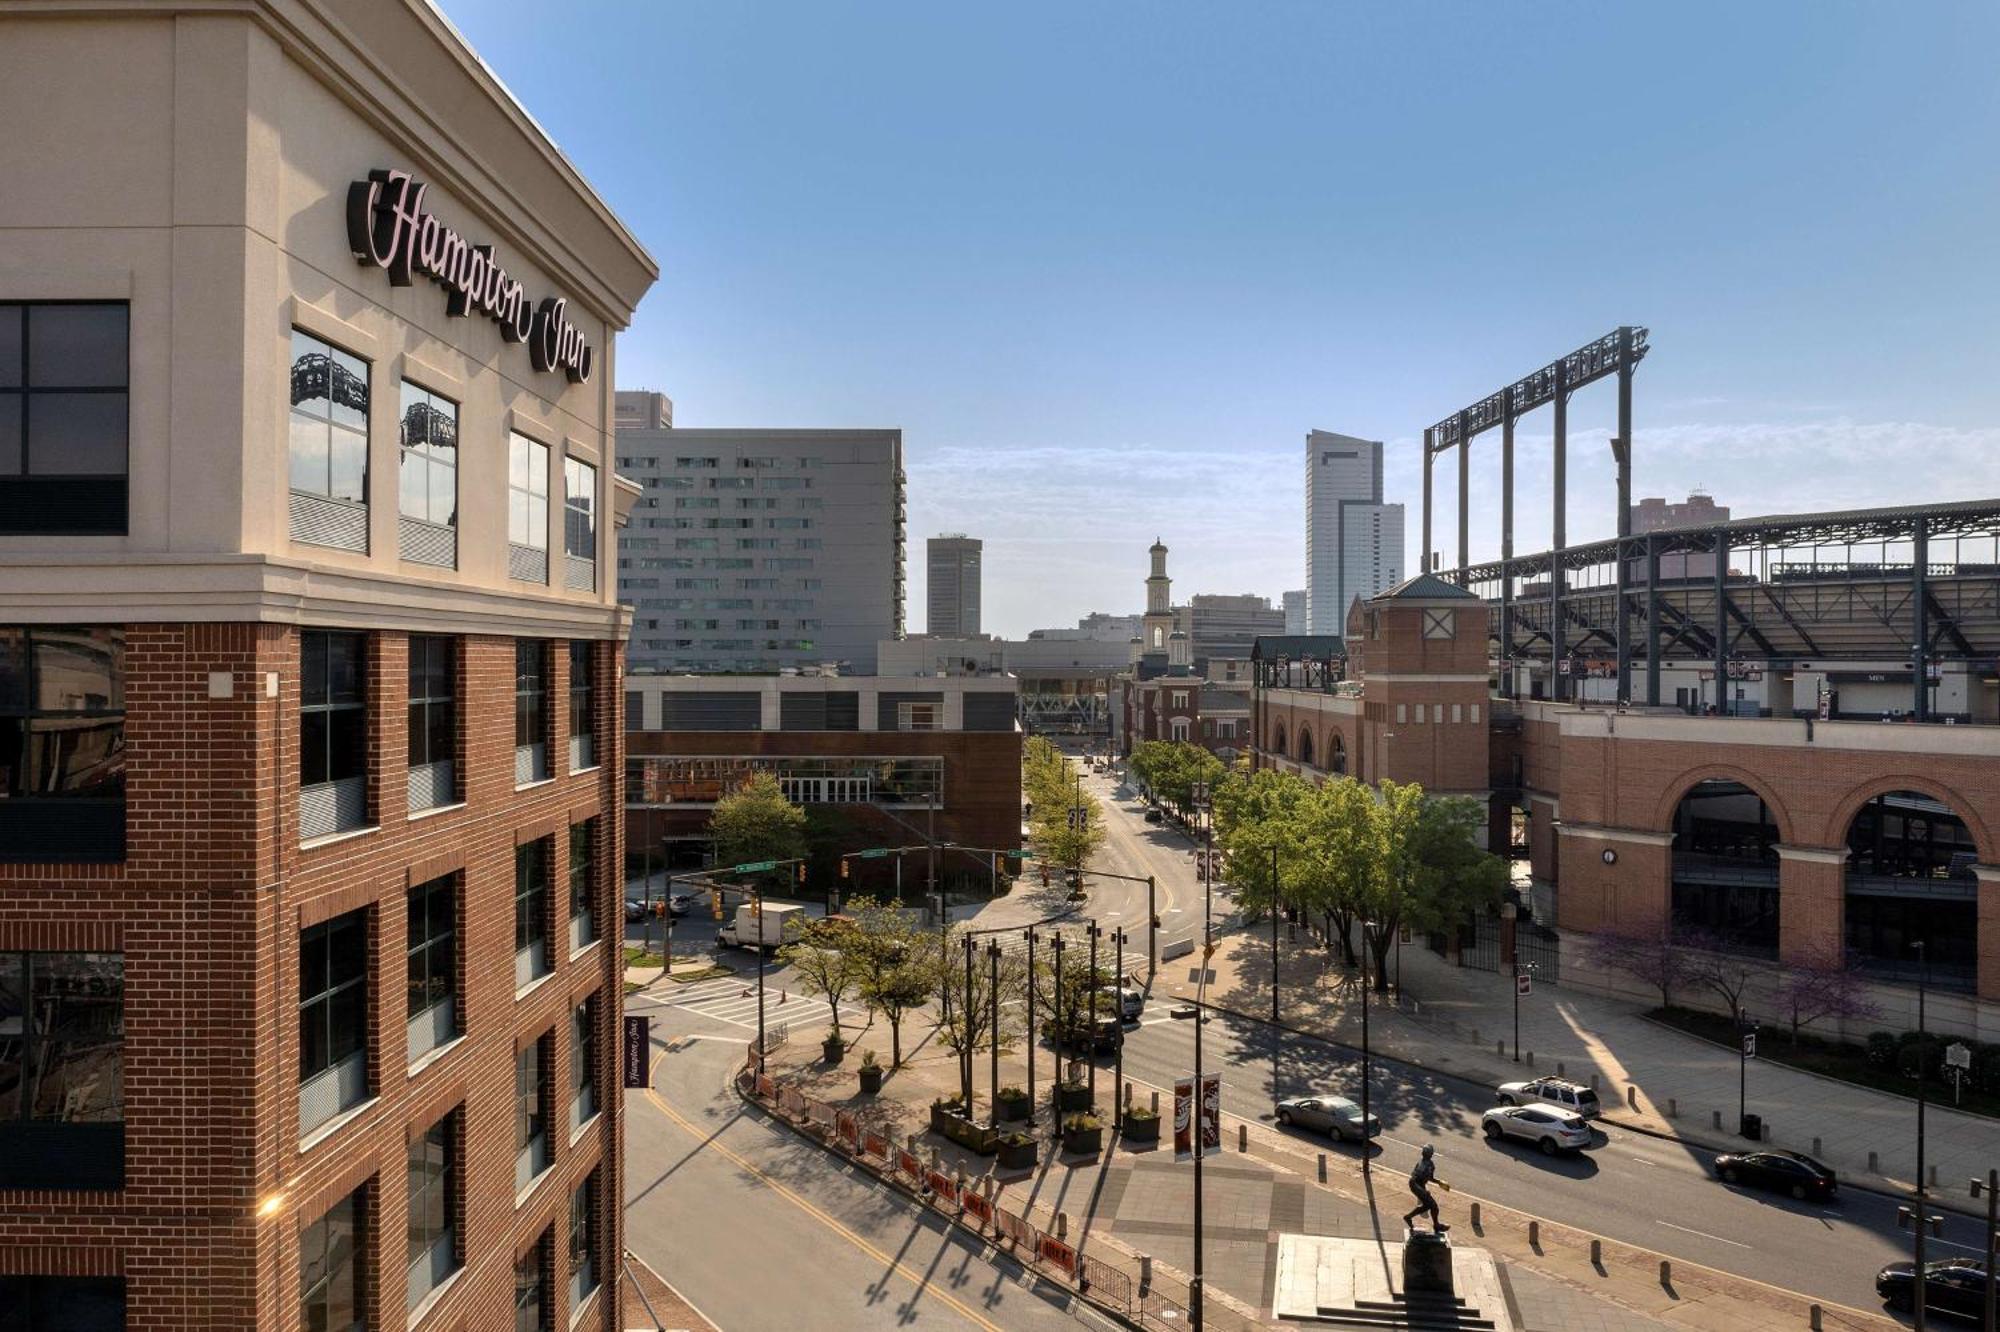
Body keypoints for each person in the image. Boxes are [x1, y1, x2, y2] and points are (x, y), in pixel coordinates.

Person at [1402, 1144, 1450, 1234]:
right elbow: (1415, 1180)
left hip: (1418, 1186)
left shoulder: (1428, 1164)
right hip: (1416, 1186)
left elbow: (1430, 1178)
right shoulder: (1424, 1164)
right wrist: (1423, 1191)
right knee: (1434, 1206)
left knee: (1427, 1205)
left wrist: (1439, 1182)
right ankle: (1436, 1225)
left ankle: (1408, 1217)